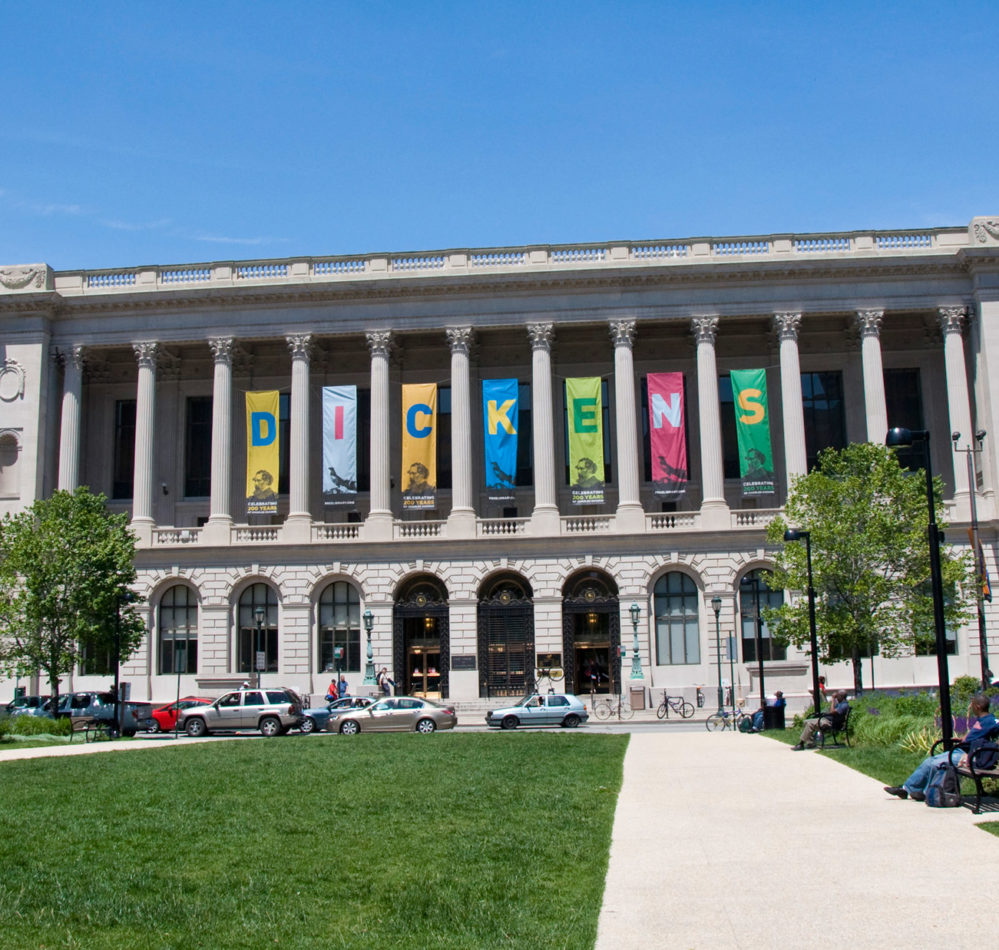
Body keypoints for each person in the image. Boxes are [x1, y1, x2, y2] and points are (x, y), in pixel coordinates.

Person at [884, 694, 998, 800]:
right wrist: (962, 739)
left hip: (970, 756)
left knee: (935, 763)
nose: (971, 708)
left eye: (972, 705)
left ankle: (922, 792)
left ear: (978, 707)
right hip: (960, 751)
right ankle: (908, 789)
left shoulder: (992, 721)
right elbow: (974, 737)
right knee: (929, 761)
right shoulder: (982, 720)